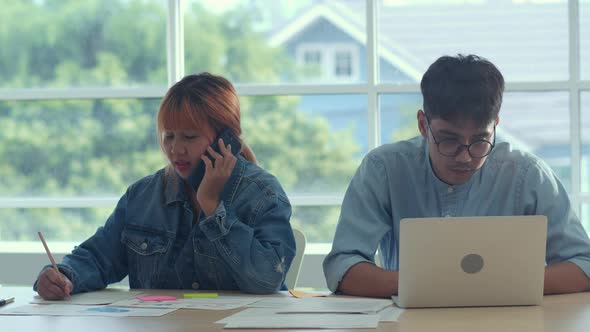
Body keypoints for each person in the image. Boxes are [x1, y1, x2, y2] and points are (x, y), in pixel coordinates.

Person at [323, 54, 590, 298]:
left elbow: (584, 265)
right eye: (449, 140)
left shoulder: (529, 175)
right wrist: (432, 285)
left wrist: (506, 283)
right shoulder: (383, 169)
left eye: (480, 140)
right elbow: (342, 267)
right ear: (422, 125)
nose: (465, 156)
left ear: (495, 125)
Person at [35, 73, 296, 299]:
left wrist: (213, 208)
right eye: (169, 136)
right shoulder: (143, 196)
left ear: (226, 140)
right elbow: (97, 256)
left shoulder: (263, 194)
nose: (175, 149)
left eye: (189, 137)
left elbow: (265, 279)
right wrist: (62, 276)